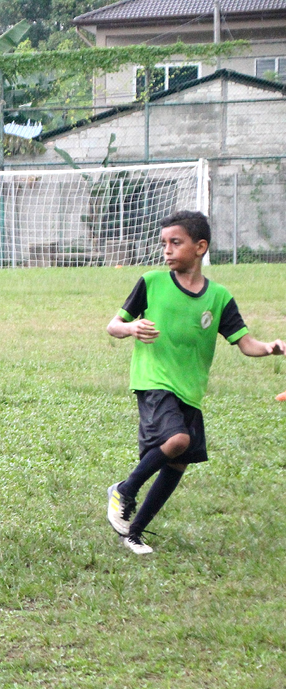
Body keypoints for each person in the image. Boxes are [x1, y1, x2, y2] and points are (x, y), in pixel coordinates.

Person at [105, 210, 285, 555]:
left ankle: (134, 533)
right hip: (153, 380)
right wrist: (131, 327)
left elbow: (246, 343)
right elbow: (114, 325)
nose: (167, 250)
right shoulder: (152, 282)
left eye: (176, 242)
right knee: (177, 440)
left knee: (178, 461)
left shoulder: (218, 297)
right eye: (164, 243)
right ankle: (124, 490)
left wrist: (270, 348)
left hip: (190, 389)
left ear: (200, 247)